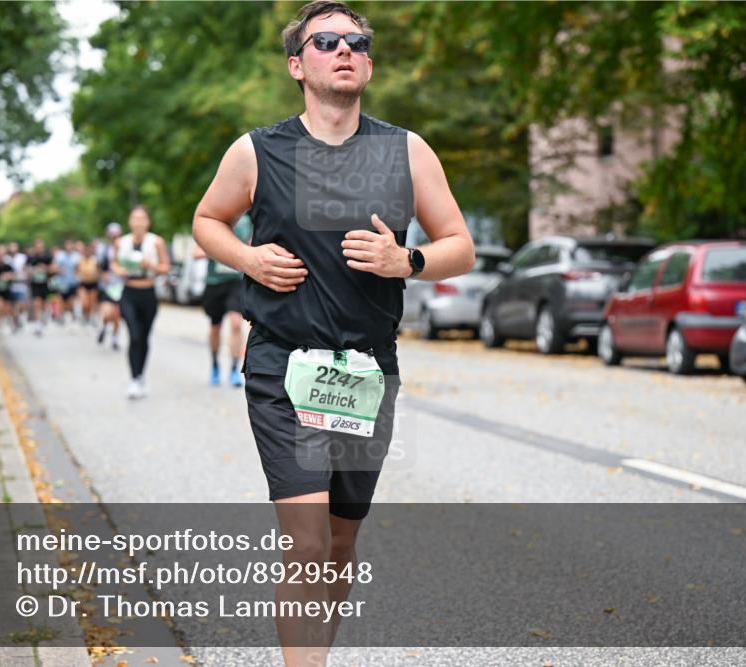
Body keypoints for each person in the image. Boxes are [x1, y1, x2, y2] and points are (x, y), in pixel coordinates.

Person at [192, 2, 474, 664]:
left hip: (364, 373)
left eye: (356, 41)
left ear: (368, 65)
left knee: (341, 542)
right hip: (280, 366)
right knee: (307, 541)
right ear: (299, 65)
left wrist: (407, 260)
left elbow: (459, 244)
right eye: (326, 41)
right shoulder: (258, 150)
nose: (343, 48)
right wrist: (249, 258)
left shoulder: (405, 150)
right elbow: (207, 219)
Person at [110, 207, 170, 399]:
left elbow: (165, 267)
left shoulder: (157, 242)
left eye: (142, 218)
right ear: (129, 222)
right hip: (129, 292)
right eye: (134, 218)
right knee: (134, 334)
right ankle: (134, 379)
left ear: (148, 222)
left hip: (148, 293)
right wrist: (118, 270)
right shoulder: (121, 242)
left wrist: (149, 265)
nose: (138, 222)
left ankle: (141, 374)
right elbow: (113, 263)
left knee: (144, 337)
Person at [194, 213, 253, 387]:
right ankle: (214, 366)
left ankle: (234, 369)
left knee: (236, 324)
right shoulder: (214, 217)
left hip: (236, 281)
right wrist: (217, 249)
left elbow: (252, 244)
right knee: (215, 327)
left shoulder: (246, 221)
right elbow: (196, 252)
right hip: (214, 283)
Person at [97, 223, 124, 351]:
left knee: (117, 315)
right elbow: (99, 266)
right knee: (107, 314)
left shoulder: (125, 248)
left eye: (116, 235)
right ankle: (103, 326)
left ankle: (115, 338)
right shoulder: (104, 249)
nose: (114, 237)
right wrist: (103, 275)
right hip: (107, 287)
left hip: (121, 286)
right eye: (112, 235)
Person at [27, 239, 53, 336]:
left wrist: (45, 268)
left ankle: (44, 318)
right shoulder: (31, 258)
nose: (39, 249)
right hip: (35, 284)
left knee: (44, 304)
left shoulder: (47, 257)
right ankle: (38, 325)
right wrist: (33, 270)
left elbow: (54, 269)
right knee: (36, 304)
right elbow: (26, 270)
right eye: (37, 247)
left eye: (40, 247)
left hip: (45, 284)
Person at [0, 244, 18, 332]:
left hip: (7, 290)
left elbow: (14, 275)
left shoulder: (8, 266)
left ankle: (13, 322)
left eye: (2, 254)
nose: (0, 256)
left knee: (7, 309)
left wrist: (7, 276)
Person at [54, 239, 80, 323]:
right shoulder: (60, 255)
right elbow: (55, 267)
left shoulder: (76, 256)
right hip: (62, 282)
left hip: (72, 282)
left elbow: (78, 268)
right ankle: (62, 316)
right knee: (61, 299)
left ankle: (71, 315)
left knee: (71, 301)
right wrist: (59, 270)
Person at [77, 240, 101, 325]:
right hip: (83, 283)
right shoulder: (80, 260)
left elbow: (99, 271)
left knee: (91, 302)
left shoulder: (94, 260)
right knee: (84, 302)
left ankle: (90, 316)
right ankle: (84, 315)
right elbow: (76, 270)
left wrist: (95, 275)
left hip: (93, 283)